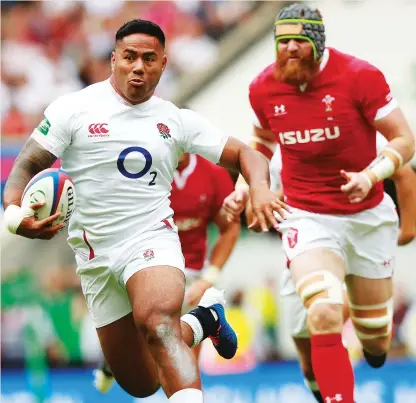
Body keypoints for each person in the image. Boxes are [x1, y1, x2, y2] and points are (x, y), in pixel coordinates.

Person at [2, 19, 289, 403]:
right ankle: (206, 320)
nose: (138, 66)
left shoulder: (174, 120)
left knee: (158, 324)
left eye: (149, 58)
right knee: (142, 382)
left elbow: (246, 154)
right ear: (114, 59)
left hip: (150, 240)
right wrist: (14, 214)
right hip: (94, 257)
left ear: (163, 64)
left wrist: (261, 188)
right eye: (130, 57)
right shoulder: (74, 109)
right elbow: (26, 164)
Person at [222, 4, 415, 403]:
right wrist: (248, 186)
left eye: (299, 40)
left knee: (376, 339)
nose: (289, 49)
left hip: (367, 216)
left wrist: (370, 175)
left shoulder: (360, 76)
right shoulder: (263, 87)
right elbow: (261, 144)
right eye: (282, 41)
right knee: (324, 312)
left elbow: (404, 141)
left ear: (317, 41)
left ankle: (369, 351)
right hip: (307, 216)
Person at [242, 133, 416, 403]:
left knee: (350, 328)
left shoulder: (350, 129)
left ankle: (351, 320)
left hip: (358, 244)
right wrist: (266, 197)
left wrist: (408, 230)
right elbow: (255, 217)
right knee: (308, 362)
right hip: (305, 255)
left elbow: (403, 172)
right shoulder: (275, 157)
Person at [93, 152, 240, 393]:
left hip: (191, 275)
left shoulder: (214, 175)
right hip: (146, 266)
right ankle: (121, 355)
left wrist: (209, 277)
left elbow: (230, 227)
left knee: (181, 361)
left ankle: (204, 321)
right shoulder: (139, 171)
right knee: (149, 376)